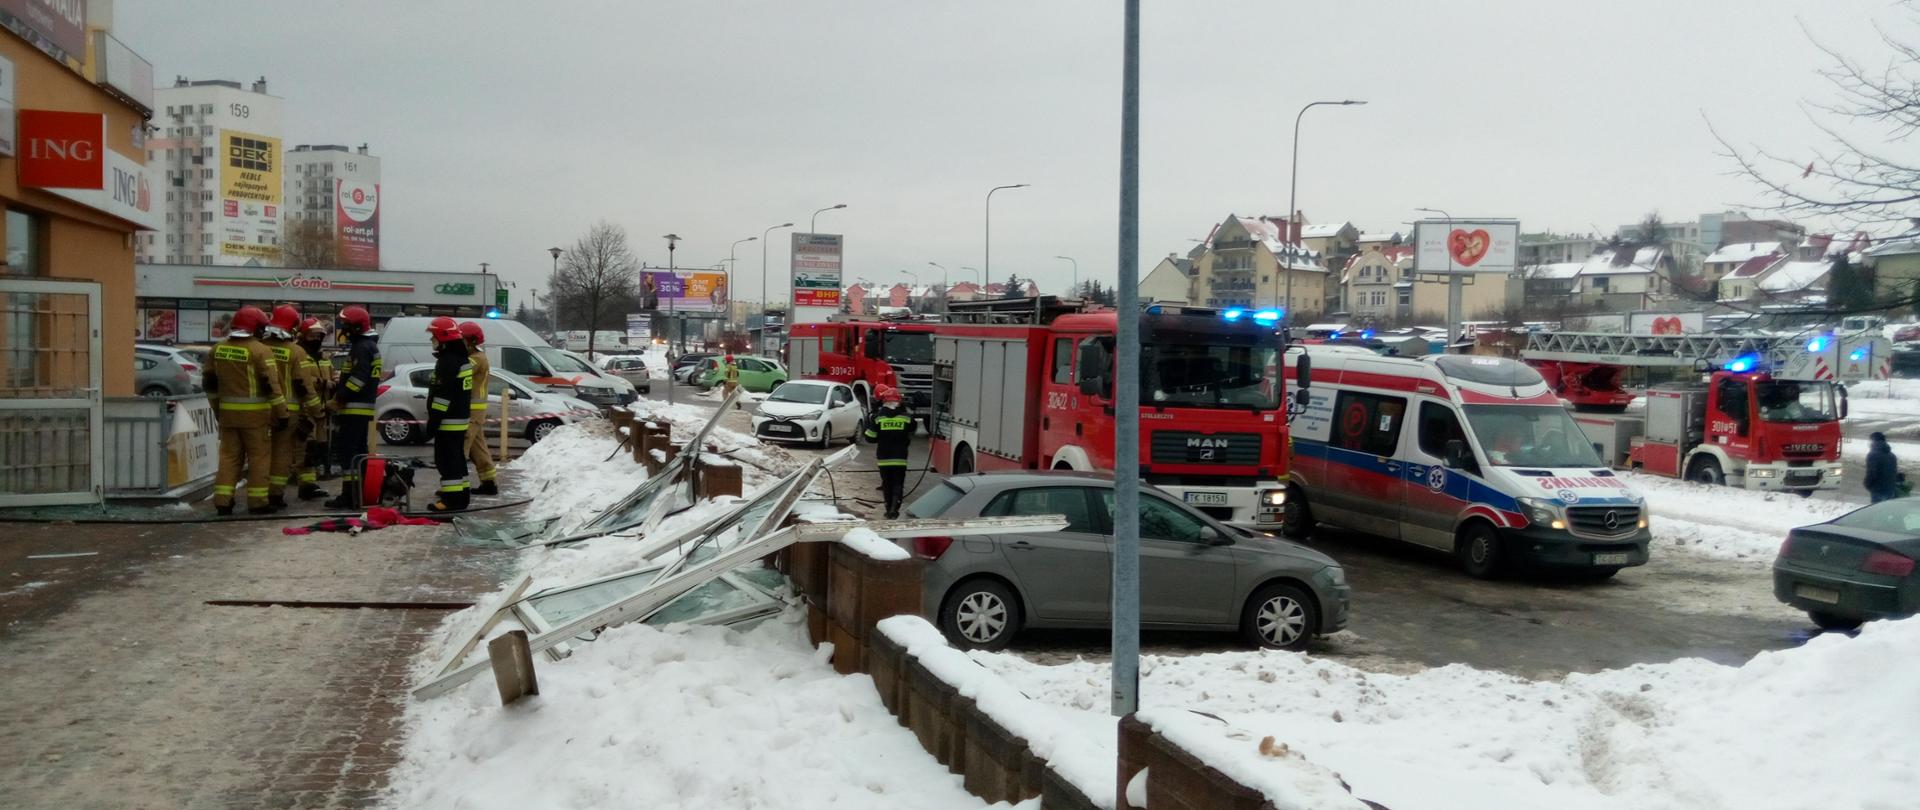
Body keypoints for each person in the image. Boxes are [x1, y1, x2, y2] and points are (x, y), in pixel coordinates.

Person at [202, 306, 287, 515]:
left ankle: (223, 502)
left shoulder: (217, 349)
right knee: (259, 458)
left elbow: (209, 384)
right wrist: (282, 413)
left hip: (228, 416)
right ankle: (258, 503)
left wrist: (218, 410)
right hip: (256, 418)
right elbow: (272, 386)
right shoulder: (260, 351)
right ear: (255, 327)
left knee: (229, 458)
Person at [261, 305, 325, 509]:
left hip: (261, 410)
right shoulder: (296, 352)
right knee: (282, 453)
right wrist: (317, 412)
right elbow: (304, 386)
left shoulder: (260, 347)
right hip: (290, 412)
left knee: (260, 453)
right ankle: (275, 495)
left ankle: (258, 495)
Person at [326, 306, 382, 509]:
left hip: (354, 408)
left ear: (356, 327)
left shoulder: (362, 347)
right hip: (362, 408)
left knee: (348, 453)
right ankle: (358, 494)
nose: (344, 329)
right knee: (358, 452)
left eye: (346, 325)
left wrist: (339, 398)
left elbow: (358, 379)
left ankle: (349, 496)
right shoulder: (368, 346)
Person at [425, 321, 475, 511]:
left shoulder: (448, 361)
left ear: (443, 338)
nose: (432, 339)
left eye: (434, 336)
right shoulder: (461, 359)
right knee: (457, 460)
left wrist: (434, 421)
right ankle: (461, 497)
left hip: (448, 421)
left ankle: (450, 502)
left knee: (446, 461)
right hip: (459, 419)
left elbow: (443, 395)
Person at [295, 317, 334, 500]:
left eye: (319, 336)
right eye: (312, 335)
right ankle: (305, 485)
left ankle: (309, 484)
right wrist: (323, 383)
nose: (316, 339)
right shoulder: (298, 354)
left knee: (316, 449)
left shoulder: (324, 357)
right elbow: (300, 379)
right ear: (303, 336)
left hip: (322, 410)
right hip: (305, 410)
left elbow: (331, 375)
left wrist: (334, 381)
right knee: (306, 448)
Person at [458, 322, 499, 496]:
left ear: (471, 341)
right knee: (478, 449)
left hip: (471, 410)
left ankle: (457, 487)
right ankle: (489, 483)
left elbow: (458, 371)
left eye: (461, 339)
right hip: (474, 411)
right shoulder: (477, 356)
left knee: (460, 447)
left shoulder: (476, 359)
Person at [863, 385, 914, 518]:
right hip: (900, 458)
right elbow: (913, 429)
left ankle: (888, 509)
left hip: (884, 458)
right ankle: (894, 509)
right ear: (899, 402)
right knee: (898, 483)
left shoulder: (878, 418)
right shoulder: (906, 418)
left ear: (884, 401)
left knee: (886, 484)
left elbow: (870, 438)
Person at [1865, 432, 1901, 503]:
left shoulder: (1873, 455)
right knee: (1887, 507)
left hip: (1877, 488)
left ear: (1874, 440)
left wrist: (1868, 484)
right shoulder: (1892, 455)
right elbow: (1893, 472)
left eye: (1870, 440)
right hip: (1890, 488)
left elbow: (1872, 472)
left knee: (1876, 508)